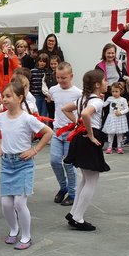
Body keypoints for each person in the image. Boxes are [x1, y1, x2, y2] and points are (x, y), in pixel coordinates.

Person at [0, 80, 53, 250]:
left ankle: (26, 236)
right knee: (6, 204)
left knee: (19, 203)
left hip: (23, 164)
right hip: (7, 164)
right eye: (3, 96)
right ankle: (14, 230)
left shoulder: (27, 118)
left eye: (8, 96)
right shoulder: (1, 117)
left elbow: (48, 132)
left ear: (20, 98)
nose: (4, 99)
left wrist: (35, 150)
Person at [62, 70, 110, 231]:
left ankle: (74, 213)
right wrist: (89, 133)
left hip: (79, 137)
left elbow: (66, 109)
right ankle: (78, 217)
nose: (107, 83)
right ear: (97, 84)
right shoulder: (96, 102)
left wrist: (78, 124)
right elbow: (85, 113)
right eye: (105, 81)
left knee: (85, 178)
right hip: (89, 138)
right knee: (92, 179)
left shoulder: (82, 98)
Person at [48, 62, 81, 206]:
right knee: (54, 161)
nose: (60, 81)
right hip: (57, 131)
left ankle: (73, 194)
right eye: (58, 77)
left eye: (64, 78)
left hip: (71, 132)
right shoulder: (53, 90)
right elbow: (54, 104)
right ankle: (63, 187)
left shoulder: (78, 93)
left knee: (69, 164)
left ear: (71, 76)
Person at [102, 82, 129, 154]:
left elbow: (127, 109)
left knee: (119, 134)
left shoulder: (123, 100)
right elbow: (104, 105)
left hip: (120, 118)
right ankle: (109, 147)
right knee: (111, 133)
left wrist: (121, 112)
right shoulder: (110, 98)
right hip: (112, 118)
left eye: (116, 91)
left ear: (121, 91)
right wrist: (101, 99)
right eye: (113, 91)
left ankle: (119, 147)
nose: (114, 93)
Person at [30, 53, 49, 117]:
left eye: (44, 61)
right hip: (35, 95)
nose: (42, 63)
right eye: (40, 61)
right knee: (36, 112)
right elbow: (30, 83)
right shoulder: (33, 71)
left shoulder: (47, 72)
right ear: (37, 61)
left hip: (45, 96)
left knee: (44, 114)